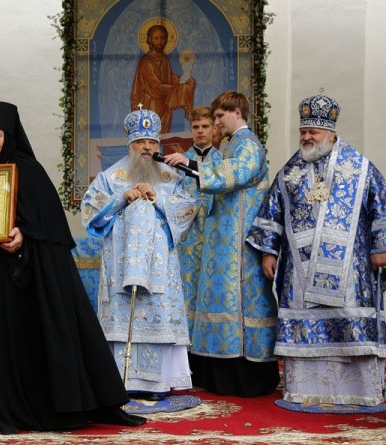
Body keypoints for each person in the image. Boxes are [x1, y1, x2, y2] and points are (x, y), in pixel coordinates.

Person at [0, 100, 145, 434]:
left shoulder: (28, 171)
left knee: (9, 346)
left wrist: (23, 235)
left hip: (13, 285)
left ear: (9, 135)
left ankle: (21, 406)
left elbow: (47, 228)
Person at [247, 92, 386, 406]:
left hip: (350, 269)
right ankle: (305, 390)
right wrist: (269, 251)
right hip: (301, 269)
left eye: (313, 132)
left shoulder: (359, 167)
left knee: (349, 318)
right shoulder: (290, 172)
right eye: (303, 131)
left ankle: (359, 391)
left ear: (331, 133)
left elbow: (381, 205)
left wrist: (381, 247)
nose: (307, 137)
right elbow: (272, 211)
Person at [161, 91, 279, 397]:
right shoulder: (232, 145)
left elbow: (231, 175)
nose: (215, 124)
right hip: (225, 240)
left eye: (218, 117)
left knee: (237, 300)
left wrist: (189, 164)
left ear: (237, 112)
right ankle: (218, 374)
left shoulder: (248, 144)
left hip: (239, 242)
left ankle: (246, 376)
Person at [81, 107, 198, 400]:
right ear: (130, 144)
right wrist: (121, 198)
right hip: (120, 267)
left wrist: (158, 199)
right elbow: (90, 211)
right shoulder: (110, 176)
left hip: (160, 268)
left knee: (157, 317)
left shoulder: (170, 177)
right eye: (140, 142)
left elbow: (188, 208)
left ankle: (158, 384)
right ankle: (120, 382)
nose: (146, 147)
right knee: (122, 321)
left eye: (151, 142)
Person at [161, 107, 222, 384]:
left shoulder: (223, 163)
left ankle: (209, 358)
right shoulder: (178, 161)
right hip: (186, 239)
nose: (200, 131)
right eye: (196, 127)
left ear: (214, 129)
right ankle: (185, 363)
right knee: (186, 294)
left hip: (213, 238)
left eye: (205, 126)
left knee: (210, 294)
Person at [130, 24, 196, 133]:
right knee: (153, 135)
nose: (160, 41)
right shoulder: (146, 62)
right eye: (156, 38)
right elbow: (156, 85)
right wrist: (179, 88)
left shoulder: (164, 58)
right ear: (150, 40)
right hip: (152, 104)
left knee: (164, 135)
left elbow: (168, 77)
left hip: (165, 104)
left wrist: (184, 79)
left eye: (162, 38)